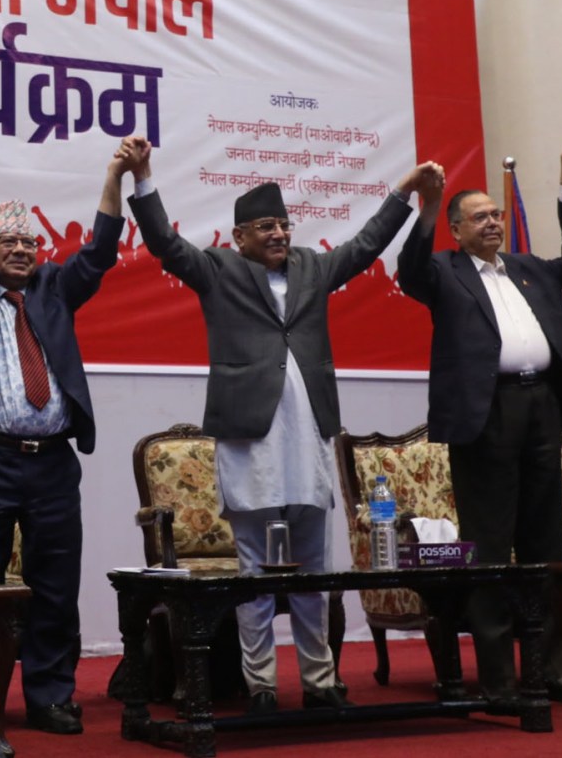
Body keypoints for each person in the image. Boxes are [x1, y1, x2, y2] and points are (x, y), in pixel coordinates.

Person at [128, 140, 443, 714]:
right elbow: (165, 244)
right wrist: (144, 176)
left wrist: (403, 192)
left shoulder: (312, 268)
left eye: (283, 224)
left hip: (309, 438)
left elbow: (366, 244)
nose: (278, 234)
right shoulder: (219, 269)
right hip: (250, 441)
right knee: (254, 569)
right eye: (265, 227)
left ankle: (320, 681)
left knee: (314, 567)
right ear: (239, 236)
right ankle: (262, 686)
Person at [0, 138, 148, 734]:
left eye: (29, 242)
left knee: (55, 586)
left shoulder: (53, 289)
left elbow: (99, 252)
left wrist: (115, 175)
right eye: (8, 242)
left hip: (51, 465)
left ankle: (50, 694)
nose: (22, 249)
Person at [396, 147, 562, 702]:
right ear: (457, 230)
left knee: (545, 542)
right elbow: (409, 270)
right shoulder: (444, 271)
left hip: (542, 406)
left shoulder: (530, 269)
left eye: (496, 214)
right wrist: (429, 205)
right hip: (484, 413)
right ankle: (499, 679)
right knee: (490, 546)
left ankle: (554, 667)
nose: (493, 222)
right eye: (480, 217)